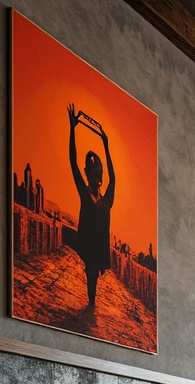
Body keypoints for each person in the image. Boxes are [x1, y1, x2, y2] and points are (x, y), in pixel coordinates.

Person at [67, 104, 116, 310]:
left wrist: (106, 145)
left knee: (93, 271)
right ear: (88, 174)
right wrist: (72, 129)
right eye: (93, 175)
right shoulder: (86, 195)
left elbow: (114, 176)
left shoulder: (107, 201)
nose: (96, 179)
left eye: (98, 176)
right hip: (88, 245)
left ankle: (92, 301)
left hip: (98, 247)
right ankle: (92, 302)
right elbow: (73, 163)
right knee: (91, 270)